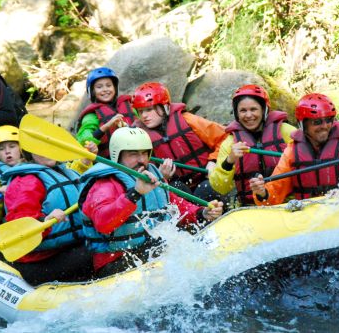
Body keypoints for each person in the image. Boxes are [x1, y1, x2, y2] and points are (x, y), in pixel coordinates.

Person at [79, 127, 224, 278]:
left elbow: (174, 205)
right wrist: (135, 194)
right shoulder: (104, 184)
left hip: (150, 247)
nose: (141, 160)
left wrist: (201, 212)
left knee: (197, 243)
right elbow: (103, 224)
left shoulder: (151, 174)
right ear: (118, 155)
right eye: (133, 154)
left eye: (144, 153)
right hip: (116, 259)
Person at [0, 144, 97, 285]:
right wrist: (45, 220)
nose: (47, 151)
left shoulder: (63, 171)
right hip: (40, 261)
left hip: (68, 248)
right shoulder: (25, 181)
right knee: (97, 251)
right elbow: (19, 228)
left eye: (51, 146)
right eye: (40, 148)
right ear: (29, 153)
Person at [132, 82, 227, 201]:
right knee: (175, 190)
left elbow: (225, 138)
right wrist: (160, 176)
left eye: (149, 109)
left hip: (205, 178)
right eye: (140, 111)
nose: (144, 116)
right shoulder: (139, 135)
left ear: (164, 107)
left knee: (207, 189)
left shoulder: (188, 120)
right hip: (174, 185)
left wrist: (214, 161)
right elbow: (137, 170)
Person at [210, 85, 296, 207]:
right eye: (243, 111)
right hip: (250, 208)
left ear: (264, 110)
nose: (249, 115)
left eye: (253, 109)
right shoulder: (230, 143)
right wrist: (229, 161)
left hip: (288, 203)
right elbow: (220, 188)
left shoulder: (286, 132)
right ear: (236, 114)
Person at [76, 67, 136, 158]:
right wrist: (106, 127)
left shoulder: (129, 105)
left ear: (115, 87)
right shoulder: (91, 115)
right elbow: (83, 140)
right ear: (92, 91)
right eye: (99, 87)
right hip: (110, 164)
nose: (105, 89)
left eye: (109, 85)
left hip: (136, 156)